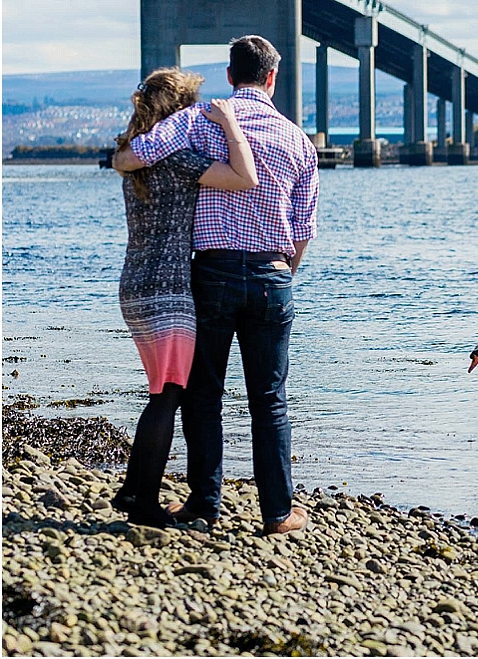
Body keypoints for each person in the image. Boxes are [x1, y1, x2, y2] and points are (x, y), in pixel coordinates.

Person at [113, 35, 320, 535]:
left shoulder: (196, 120)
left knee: (203, 395)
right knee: (269, 399)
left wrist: (120, 161)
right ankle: (277, 512)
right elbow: (305, 228)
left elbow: (137, 152)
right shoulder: (298, 139)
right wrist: (281, 275)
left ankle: (205, 505)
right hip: (272, 274)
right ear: (273, 77)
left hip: (210, 273)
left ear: (230, 75)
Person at [106, 68, 262, 528]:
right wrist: (231, 126)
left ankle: (133, 491)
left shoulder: (131, 155)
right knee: (167, 395)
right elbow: (245, 178)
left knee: (161, 392)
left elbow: (124, 159)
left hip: (134, 285)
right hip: (169, 291)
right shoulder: (180, 160)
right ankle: (142, 502)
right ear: (178, 111)